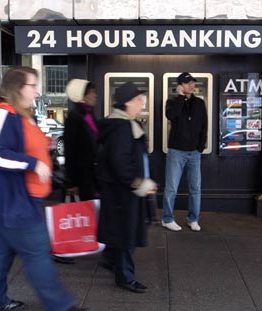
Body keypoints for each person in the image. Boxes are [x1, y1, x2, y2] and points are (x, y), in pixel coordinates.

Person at [0, 67, 83, 311]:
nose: (37, 91)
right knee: (37, 254)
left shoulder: (22, 114)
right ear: (17, 88)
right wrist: (33, 163)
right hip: (16, 200)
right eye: (33, 85)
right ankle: (61, 305)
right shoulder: (3, 113)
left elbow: (23, 145)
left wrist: (45, 146)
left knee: (0, 253)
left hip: (20, 198)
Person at [97, 82, 156, 293]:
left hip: (120, 192)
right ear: (128, 102)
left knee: (123, 232)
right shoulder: (122, 127)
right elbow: (119, 160)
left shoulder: (122, 124)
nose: (141, 103)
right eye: (138, 99)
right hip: (124, 193)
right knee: (127, 235)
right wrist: (137, 182)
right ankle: (125, 277)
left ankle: (110, 259)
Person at [162, 72, 208, 232]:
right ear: (180, 85)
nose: (192, 86)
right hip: (176, 151)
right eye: (188, 83)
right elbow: (171, 115)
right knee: (171, 187)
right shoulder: (173, 101)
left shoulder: (200, 103)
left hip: (194, 153)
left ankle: (193, 219)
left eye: (193, 83)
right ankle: (167, 219)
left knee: (195, 188)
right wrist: (181, 98)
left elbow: (204, 126)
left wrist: (200, 147)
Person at [64, 79, 99, 201]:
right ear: (82, 95)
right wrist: (71, 182)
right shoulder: (74, 118)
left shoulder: (89, 114)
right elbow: (70, 150)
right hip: (81, 177)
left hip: (91, 175)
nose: (95, 95)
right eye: (91, 92)